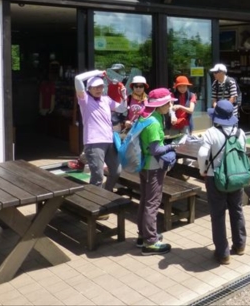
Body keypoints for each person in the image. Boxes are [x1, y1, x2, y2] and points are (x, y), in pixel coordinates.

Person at [197, 100, 247, 265]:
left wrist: (202, 170)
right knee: (237, 210)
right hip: (236, 177)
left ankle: (223, 253)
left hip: (215, 177)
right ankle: (240, 245)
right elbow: (243, 152)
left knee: (218, 215)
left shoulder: (210, 133)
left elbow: (202, 154)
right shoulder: (240, 132)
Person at [135, 88, 177, 255]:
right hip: (153, 167)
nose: (170, 105)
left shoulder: (146, 116)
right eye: (168, 103)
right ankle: (150, 242)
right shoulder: (153, 122)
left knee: (145, 200)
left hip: (144, 165)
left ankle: (142, 235)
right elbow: (155, 150)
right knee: (152, 203)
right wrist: (172, 146)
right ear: (161, 105)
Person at [74, 69, 126, 191]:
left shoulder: (106, 99)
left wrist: (124, 97)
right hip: (94, 142)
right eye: (95, 87)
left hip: (109, 140)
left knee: (116, 171)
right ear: (89, 88)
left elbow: (122, 109)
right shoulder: (85, 99)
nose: (99, 89)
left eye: (101, 87)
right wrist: (97, 72)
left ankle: (106, 193)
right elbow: (77, 79)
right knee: (98, 175)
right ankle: (95, 200)